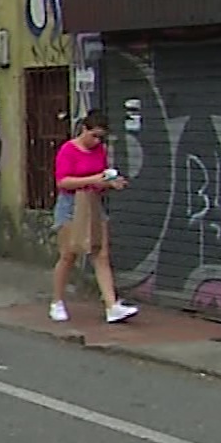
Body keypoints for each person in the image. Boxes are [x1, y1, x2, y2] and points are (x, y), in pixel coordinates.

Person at [51, 109, 139, 324]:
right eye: (94, 135)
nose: (97, 141)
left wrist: (110, 183)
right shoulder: (68, 150)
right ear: (84, 129)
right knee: (68, 254)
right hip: (71, 204)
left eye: (101, 137)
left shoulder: (100, 150)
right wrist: (93, 178)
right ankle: (57, 301)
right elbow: (63, 181)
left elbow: (101, 176)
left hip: (93, 202)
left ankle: (111, 305)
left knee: (101, 254)